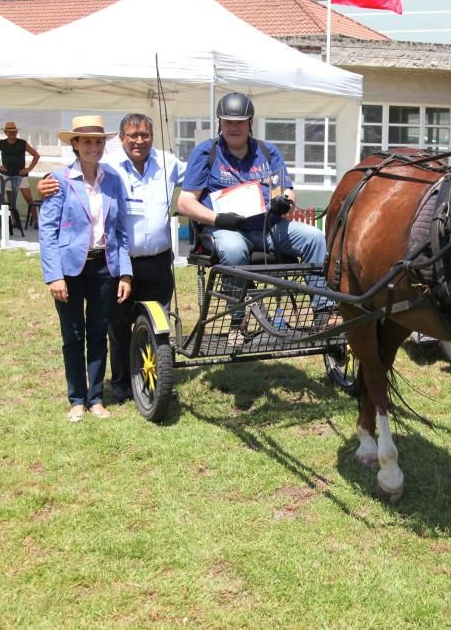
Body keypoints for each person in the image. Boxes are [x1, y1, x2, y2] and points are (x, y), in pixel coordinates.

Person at [38, 113, 186, 404]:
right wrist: (40, 184)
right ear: (121, 139)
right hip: (98, 264)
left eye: (145, 135)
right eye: (132, 135)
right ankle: (109, 389)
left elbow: (198, 175)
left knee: (147, 327)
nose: (139, 141)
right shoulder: (92, 173)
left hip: (141, 263)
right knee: (109, 329)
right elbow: (49, 225)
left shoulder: (156, 166)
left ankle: (146, 385)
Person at [176, 92, 334, 335]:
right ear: (219, 123)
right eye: (228, 122)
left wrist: (285, 202)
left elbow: (287, 191)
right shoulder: (206, 153)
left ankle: (323, 312)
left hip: (268, 226)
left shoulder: (267, 151)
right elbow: (186, 203)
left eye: (240, 122)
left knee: (315, 237)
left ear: (250, 123)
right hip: (225, 228)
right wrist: (218, 219)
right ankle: (239, 319)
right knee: (233, 249)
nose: (234, 127)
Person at [39, 115, 132, 423]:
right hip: (69, 269)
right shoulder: (59, 180)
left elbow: (121, 231)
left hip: (105, 266)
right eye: (87, 141)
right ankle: (76, 398)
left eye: (98, 141)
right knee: (73, 334)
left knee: (97, 332)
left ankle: (95, 398)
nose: (93, 147)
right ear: (75, 145)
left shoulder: (113, 180)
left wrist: (125, 273)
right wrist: (54, 275)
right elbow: (48, 230)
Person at [0, 121, 41, 220]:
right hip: (7, 175)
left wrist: (29, 169)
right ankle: (14, 220)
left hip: (21, 176)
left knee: (29, 198)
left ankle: (36, 220)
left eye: (14, 132)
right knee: (11, 200)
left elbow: (36, 155)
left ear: (17, 132)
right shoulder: (1, 143)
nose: (12, 134)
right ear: (5, 133)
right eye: (9, 132)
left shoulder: (23, 143)